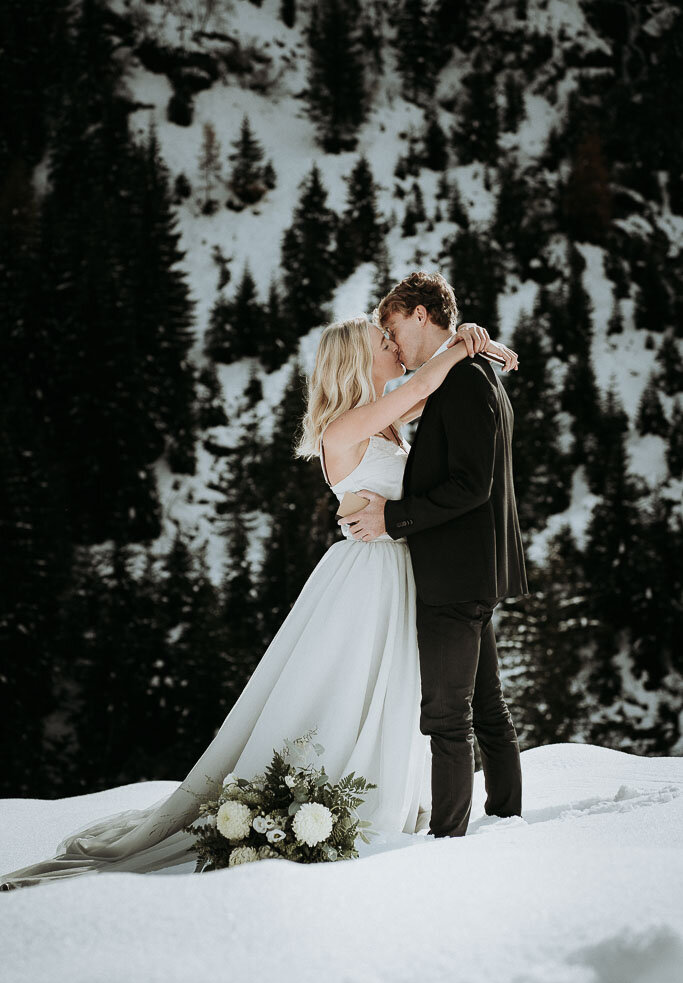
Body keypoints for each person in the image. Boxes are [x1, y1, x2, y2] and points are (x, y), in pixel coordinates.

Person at [0, 307, 517, 890]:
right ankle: (328, 804)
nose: (394, 344)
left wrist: (472, 344)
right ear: (357, 359)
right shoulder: (345, 428)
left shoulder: (387, 420)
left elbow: (437, 392)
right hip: (369, 577)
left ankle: (386, 795)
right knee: (349, 692)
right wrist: (463, 345)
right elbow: (427, 381)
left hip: (405, 569)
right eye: (382, 339)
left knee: (393, 692)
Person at [338, 271, 529, 838]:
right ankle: (507, 819)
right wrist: (473, 339)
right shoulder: (466, 373)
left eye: (393, 327)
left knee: (448, 717)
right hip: (471, 569)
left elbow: (472, 484)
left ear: (421, 315)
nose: (391, 342)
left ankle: (449, 839)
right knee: (488, 706)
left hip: (455, 573)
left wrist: (392, 518)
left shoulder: (465, 380)